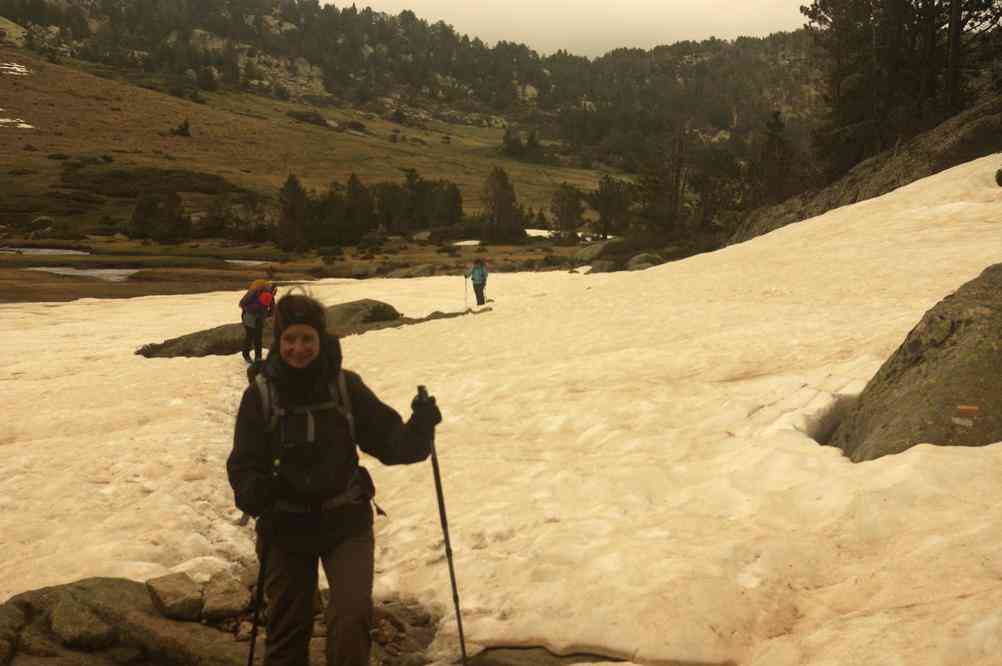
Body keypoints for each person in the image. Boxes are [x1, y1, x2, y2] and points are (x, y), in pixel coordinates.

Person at [227, 292, 442, 666]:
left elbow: (391, 443)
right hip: (285, 526)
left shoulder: (345, 387)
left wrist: (421, 428)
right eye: (290, 339)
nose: (298, 348)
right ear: (278, 341)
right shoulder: (260, 396)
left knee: (351, 618)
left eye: (307, 338)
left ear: (320, 339)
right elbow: (243, 464)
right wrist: (254, 491)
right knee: (287, 629)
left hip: (345, 521)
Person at [240, 281, 276, 363]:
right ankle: (246, 354)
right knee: (250, 336)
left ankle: (258, 358)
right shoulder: (254, 293)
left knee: (258, 337)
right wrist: (252, 309)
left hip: (258, 317)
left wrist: (266, 314)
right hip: (249, 316)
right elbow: (242, 304)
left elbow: (272, 308)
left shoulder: (270, 296)